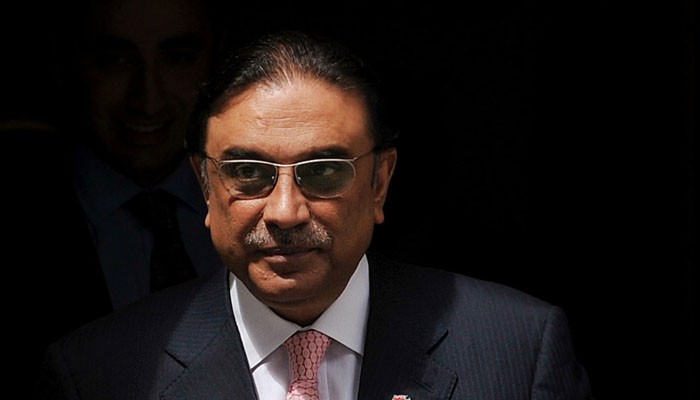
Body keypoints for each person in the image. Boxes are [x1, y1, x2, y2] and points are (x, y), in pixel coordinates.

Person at [34, 30, 593, 399]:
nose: (285, 212)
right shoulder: (100, 373)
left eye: (323, 172)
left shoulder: (517, 350)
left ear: (379, 183)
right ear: (205, 185)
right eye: (248, 172)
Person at [7, 0, 230, 386]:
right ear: (67, 63)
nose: (148, 101)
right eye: (115, 61)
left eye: (177, 58)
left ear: (216, 63)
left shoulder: (270, 197)